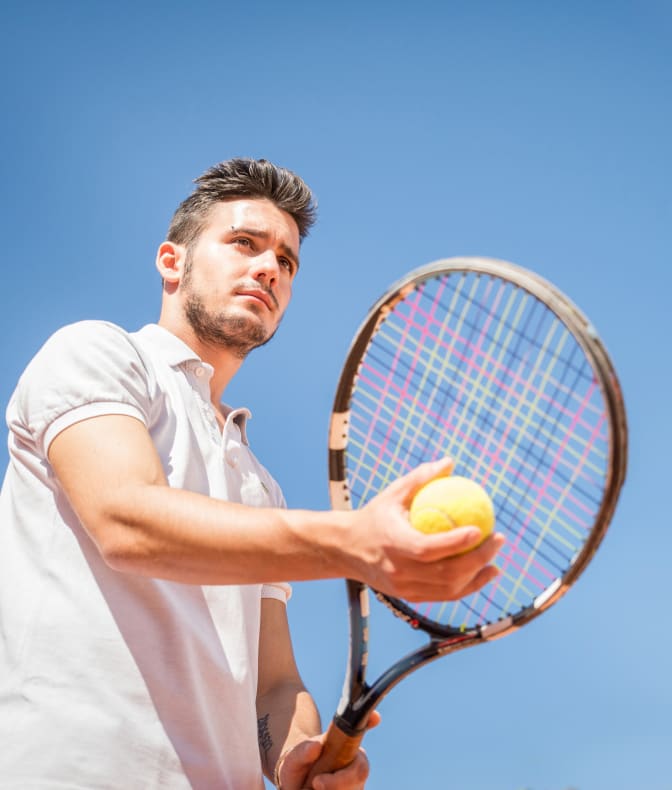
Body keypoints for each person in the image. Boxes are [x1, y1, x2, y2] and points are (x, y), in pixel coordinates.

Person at [0, 158, 504, 789]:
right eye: (244, 243)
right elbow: (125, 520)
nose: (269, 267)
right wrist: (352, 542)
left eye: (286, 262)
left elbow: (272, 685)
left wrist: (293, 750)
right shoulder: (97, 354)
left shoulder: (261, 486)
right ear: (172, 261)